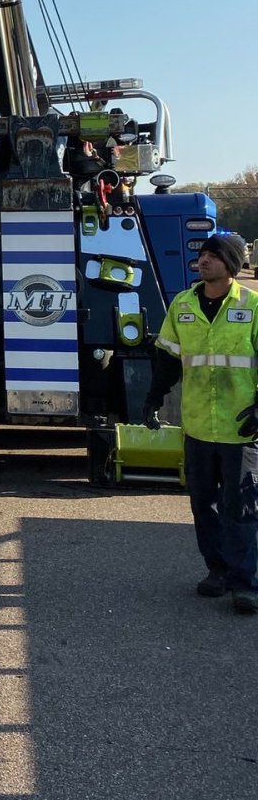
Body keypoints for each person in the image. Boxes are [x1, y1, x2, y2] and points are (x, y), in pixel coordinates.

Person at [145, 231, 258, 613]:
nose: (203, 261)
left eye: (213, 255)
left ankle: (247, 583)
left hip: (241, 429)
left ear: (232, 265)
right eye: (202, 255)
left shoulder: (253, 306)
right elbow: (167, 359)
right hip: (197, 427)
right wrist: (153, 397)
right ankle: (219, 571)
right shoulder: (182, 305)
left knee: (241, 506)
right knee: (203, 504)